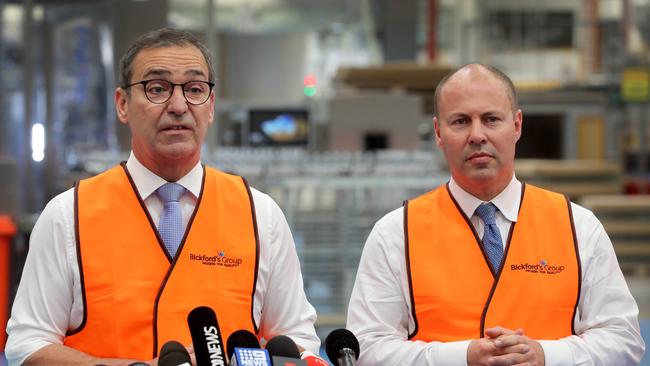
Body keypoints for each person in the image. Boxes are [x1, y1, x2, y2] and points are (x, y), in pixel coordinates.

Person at [6, 28, 320, 365]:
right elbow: (28, 346)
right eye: (157, 89)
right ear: (122, 104)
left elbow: (296, 340)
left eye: (195, 89)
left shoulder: (260, 215)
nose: (178, 105)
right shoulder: (69, 216)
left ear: (211, 107)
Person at [346, 64, 646, 365]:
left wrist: (547, 355)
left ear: (516, 125)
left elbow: (624, 340)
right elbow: (366, 349)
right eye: (461, 121)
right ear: (438, 132)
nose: (477, 135)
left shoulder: (578, 227)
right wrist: (461, 358)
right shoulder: (396, 233)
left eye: (491, 119)